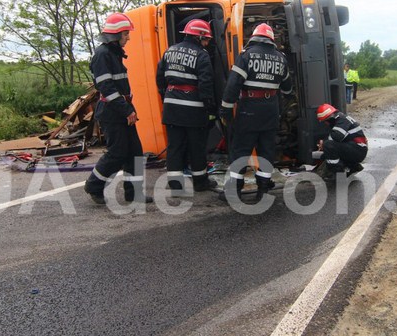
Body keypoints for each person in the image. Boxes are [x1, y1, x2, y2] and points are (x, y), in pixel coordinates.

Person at [84, 12, 153, 205]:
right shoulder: (102, 55)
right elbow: (107, 88)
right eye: (125, 34)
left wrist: (128, 109)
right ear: (115, 35)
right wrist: (127, 110)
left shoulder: (113, 54)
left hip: (121, 110)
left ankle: (134, 194)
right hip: (112, 113)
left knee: (135, 153)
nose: (128, 38)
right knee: (117, 152)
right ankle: (94, 186)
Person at [219, 23, 293, 201]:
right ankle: (263, 190)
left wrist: (226, 110)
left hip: (249, 110)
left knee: (241, 151)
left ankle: (234, 192)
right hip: (270, 111)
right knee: (266, 151)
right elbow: (288, 90)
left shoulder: (246, 56)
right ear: (271, 39)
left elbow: (232, 85)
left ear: (254, 37)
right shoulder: (281, 58)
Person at [156, 19, 217, 194]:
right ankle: (200, 182)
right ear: (199, 37)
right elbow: (206, 84)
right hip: (193, 109)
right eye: (206, 39)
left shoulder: (169, 51)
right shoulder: (201, 55)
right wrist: (210, 109)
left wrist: (167, 96)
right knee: (196, 147)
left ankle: (175, 185)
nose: (207, 43)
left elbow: (160, 79)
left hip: (171, 107)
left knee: (175, 146)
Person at [315, 103, 368, 179]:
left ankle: (337, 173)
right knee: (326, 154)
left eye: (325, 121)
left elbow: (337, 136)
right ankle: (353, 166)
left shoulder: (341, 120)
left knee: (328, 146)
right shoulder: (341, 118)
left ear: (329, 118)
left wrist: (323, 143)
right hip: (357, 148)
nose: (325, 124)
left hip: (358, 150)